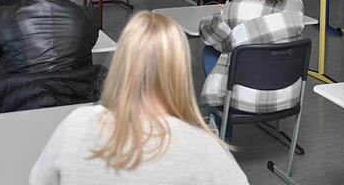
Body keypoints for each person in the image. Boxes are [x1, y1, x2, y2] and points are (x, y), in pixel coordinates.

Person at [29, 12, 249, 185]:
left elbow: (38, 180)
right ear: (180, 70)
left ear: (122, 62)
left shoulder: (76, 126)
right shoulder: (206, 150)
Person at [199, 0, 304, 115]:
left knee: (210, 52)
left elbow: (210, 35)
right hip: (287, 97)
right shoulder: (296, 4)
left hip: (244, 100)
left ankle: (223, 128)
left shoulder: (235, 8)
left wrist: (220, 13)